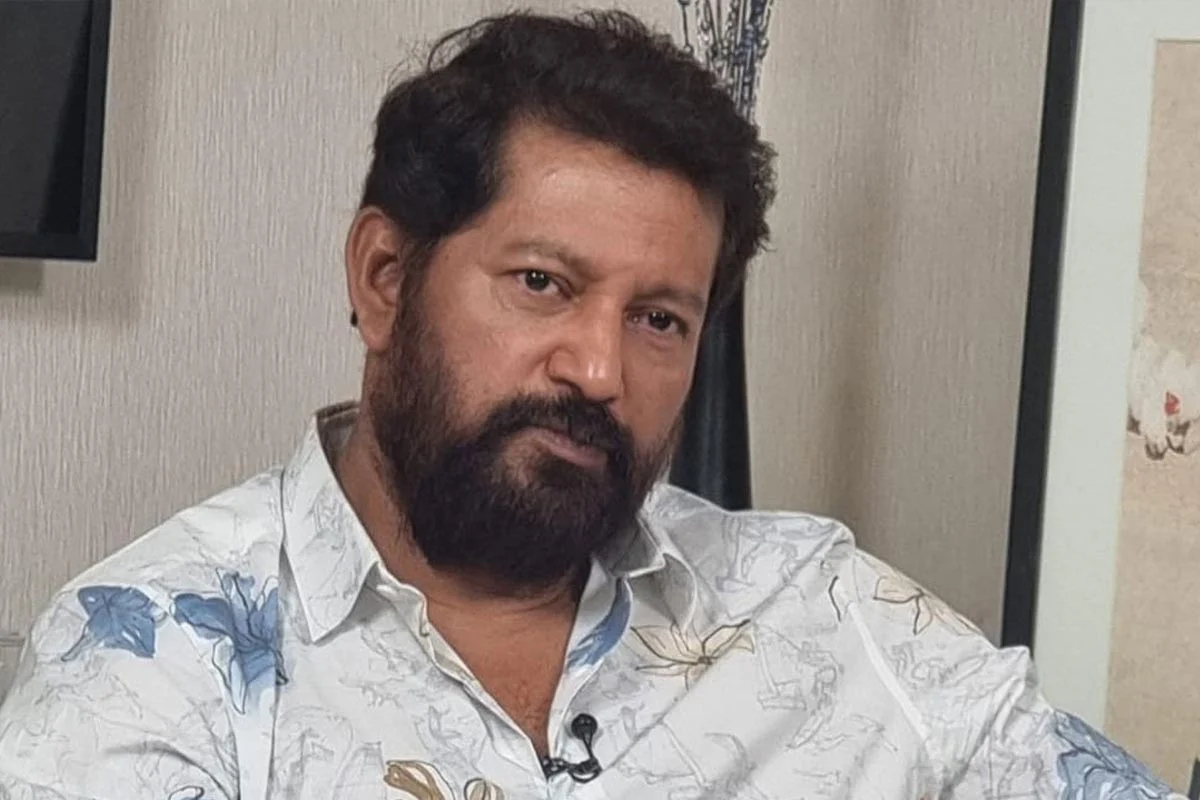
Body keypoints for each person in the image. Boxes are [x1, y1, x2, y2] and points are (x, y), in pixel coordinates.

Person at [0, 10, 1179, 800]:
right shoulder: (153, 654)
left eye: (660, 318)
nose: (600, 370)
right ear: (385, 278)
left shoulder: (826, 607)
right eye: (543, 284)